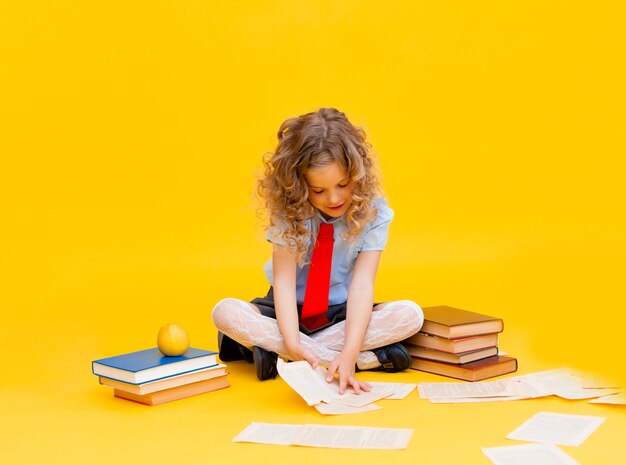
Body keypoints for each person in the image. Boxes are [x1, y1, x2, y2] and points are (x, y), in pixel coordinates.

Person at [212, 107, 423, 394]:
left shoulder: (374, 214)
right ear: (299, 186)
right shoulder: (290, 212)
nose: (334, 198)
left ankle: (282, 355)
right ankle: (357, 359)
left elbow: (362, 286)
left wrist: (349, 350)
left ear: (357, 175)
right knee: (225, 312)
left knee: (410, 315)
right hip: (285, 312)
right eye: (319, 191)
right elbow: (284, 283)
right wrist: (293, 339)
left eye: (343, 184)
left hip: (341, 314)